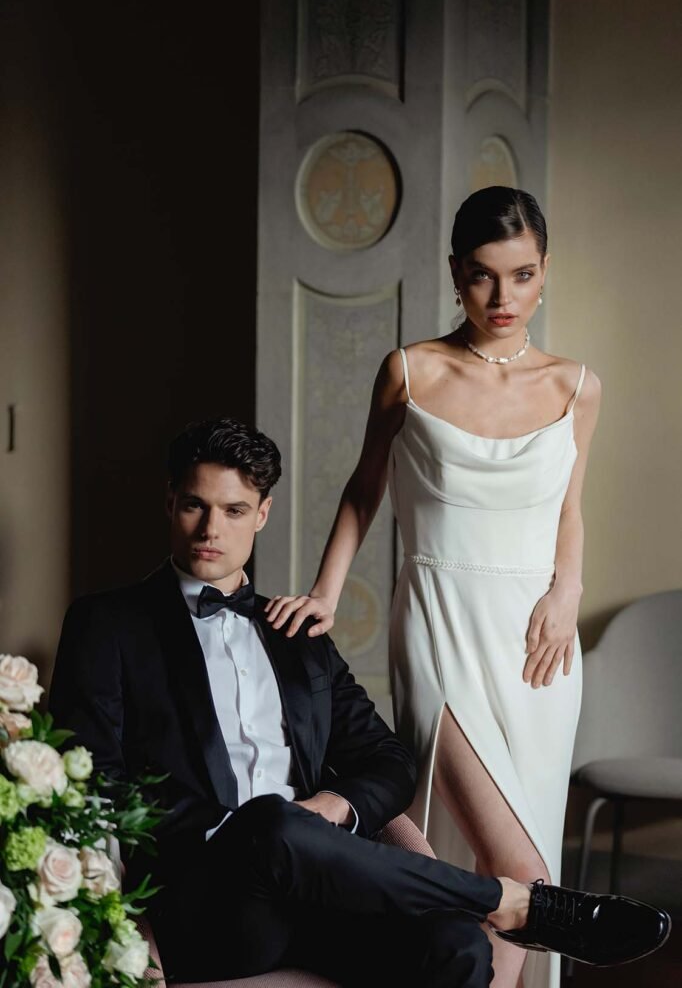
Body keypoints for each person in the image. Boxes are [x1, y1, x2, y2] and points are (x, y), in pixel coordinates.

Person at [49, 417, 669, 987]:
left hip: (323, 895)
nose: (212, 530)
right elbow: (93, 780)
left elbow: (388, 760)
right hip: (209, 905)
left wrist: (339, 806)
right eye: (195, 506)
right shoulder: (108, 625)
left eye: (234, 510)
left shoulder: (297, 633)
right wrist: (253, 828)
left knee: (456, 944)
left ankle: (489, 906)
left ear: (262, 514)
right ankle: (515, 901)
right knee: (271, 821)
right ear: (170, 503)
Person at [264, 187, 601, 988]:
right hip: (440, 623)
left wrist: (567, 595)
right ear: (455, 274)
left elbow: (572, 509)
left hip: (540, 643)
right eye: (484, 277)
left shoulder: (576, 385)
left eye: (521, 276)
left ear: (545, 273)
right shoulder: (411, 369)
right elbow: (362, 490)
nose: (503, 298)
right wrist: (325, 592)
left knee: (530, 865)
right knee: (513, 865)